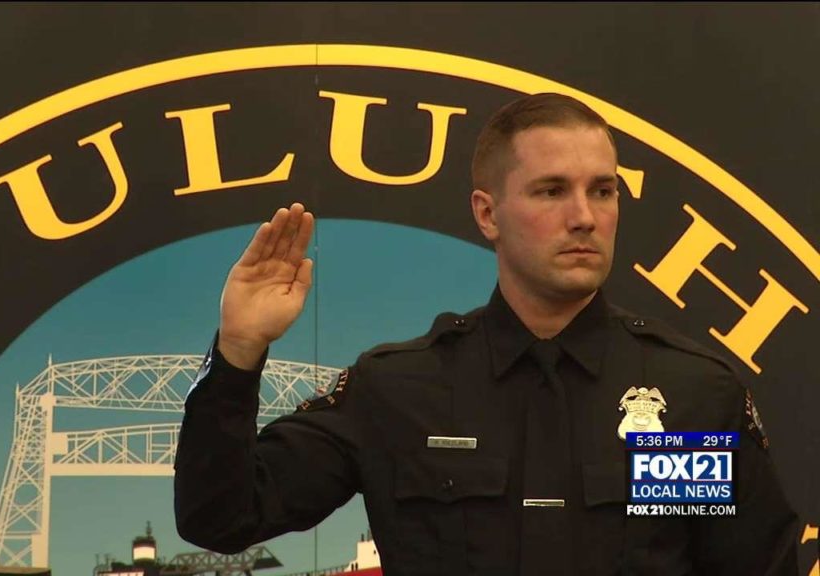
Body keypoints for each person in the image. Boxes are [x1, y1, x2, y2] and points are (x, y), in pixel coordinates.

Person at [172, 93, 799, 575]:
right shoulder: (398, 390)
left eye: (603, 191)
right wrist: (237, 353)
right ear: (487, 213)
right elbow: (222, 518)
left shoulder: (691, 394)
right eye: (552, 191)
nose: (585, 216)